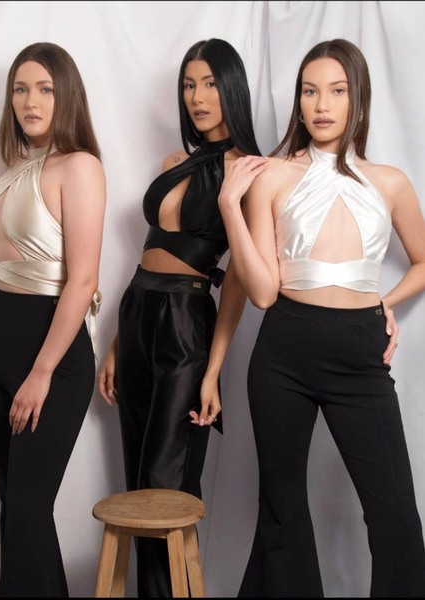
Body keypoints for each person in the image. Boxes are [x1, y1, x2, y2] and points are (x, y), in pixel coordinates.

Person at [217, 38, 425, 597]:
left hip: (359, 351)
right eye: (310, 91)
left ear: (358, 98)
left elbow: (424, 260)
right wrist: (229, 207)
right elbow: (262, 293)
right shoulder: (273, 176)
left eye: (337, 90)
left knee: (397, 517)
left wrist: (386, 302)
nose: (322, 104)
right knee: (281, 510)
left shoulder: (390, 182)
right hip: (284, 350)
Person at [97, 38, 261, 597]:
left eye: (210, 83)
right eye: (189, 85)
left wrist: (213, 372)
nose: (197, 96)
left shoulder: (247, 171)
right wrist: (117, 341)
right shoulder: (174, 163)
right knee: (138, 483)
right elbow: (147, 252)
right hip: (137, 313)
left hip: (188, 319)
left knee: (165, 484)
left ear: (231, 88)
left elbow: (236, 281)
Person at [0, 42, 106, 597]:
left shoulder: (80, 167)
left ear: (66, 95)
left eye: (44, 88)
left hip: (52, 361)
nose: (30, 100)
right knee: (17, 514)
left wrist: (42, 372)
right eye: (20, 89)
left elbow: (82, 280)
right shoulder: (16, 169)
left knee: (26, 511)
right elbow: (11, 269)